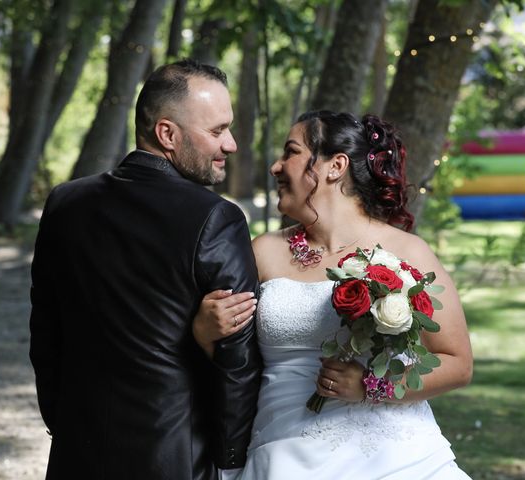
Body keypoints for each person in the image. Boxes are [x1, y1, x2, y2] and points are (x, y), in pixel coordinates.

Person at [195, 111, 474, 479]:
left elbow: (457, 362)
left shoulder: (408, 252)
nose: (276, 167)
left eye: (291, 152)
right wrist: (203, 332)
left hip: (394, 458)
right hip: (283, 453)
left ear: (335, 166)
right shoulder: (262, 252)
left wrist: (371, 386)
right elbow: (236, 362)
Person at [29, 59, 262, 480]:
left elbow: (46, 333)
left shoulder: (65, 203)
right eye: (216, 131)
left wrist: (61, 420)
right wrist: (231, 457)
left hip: (75, 450)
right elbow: (237, 357)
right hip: (176, 454)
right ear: (167, 134)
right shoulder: (216, 219)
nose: (231, 144)